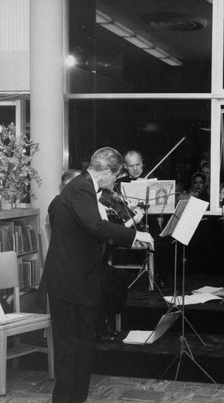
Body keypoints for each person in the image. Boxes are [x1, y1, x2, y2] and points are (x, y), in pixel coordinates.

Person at [39, 147, 155, 403]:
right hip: (68, 282)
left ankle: (76, 399)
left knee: (82, 347)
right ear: (105, 172)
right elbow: (95, 226)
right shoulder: (81, 188)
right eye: (114, 177)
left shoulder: (86, 188)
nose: (114, 183)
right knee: (70, 350)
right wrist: (135, 235)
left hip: (78, 281)